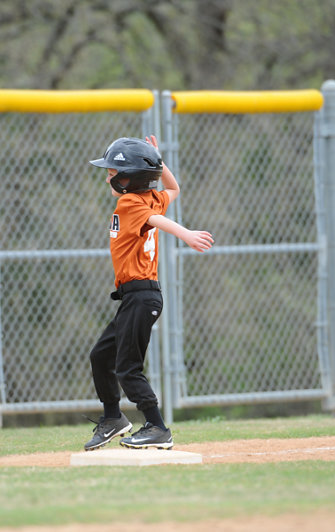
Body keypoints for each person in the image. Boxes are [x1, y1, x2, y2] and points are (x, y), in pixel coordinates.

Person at [83, 135, 213, 451]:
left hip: (141, 297)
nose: (108, 178)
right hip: (135, 297)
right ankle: (113, 418)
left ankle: (157, 427)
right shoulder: (150, 198)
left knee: (127, 367)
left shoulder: (130, 203)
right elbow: (174, 189)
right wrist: (159, 161)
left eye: (112, 173)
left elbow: (156, 219)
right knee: (101, 356)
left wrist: (185, 234)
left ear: (129, 179)